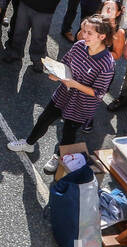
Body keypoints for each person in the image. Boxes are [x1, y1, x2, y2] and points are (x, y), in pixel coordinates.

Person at [9, 16, 116, 172]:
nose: (83, 35)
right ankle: (28, 143)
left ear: (102, 36)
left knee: (68, 134)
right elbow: (65, 63)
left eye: (89, 33)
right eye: (84, 31)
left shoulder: (107, 64)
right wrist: (56, 74)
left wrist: (75, 84)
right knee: (44, 118)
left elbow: (99, 93)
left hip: (81, 104)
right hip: (64, 93)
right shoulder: (79, 46)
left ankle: (58, 157)